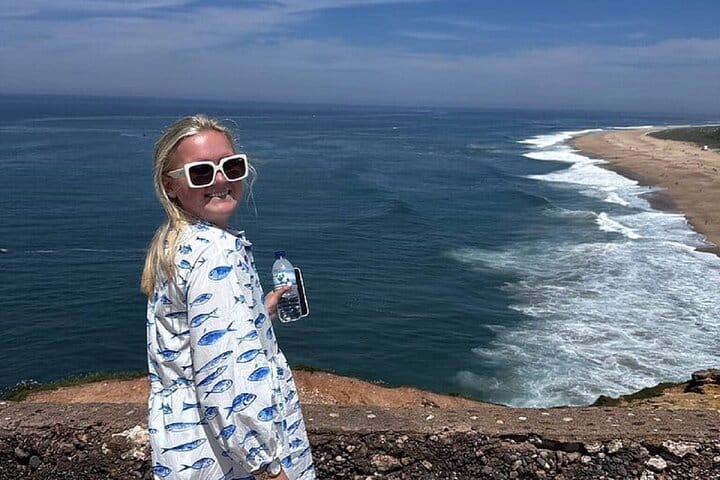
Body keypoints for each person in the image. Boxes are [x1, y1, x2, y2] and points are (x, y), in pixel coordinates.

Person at [140, 114, 315, 480]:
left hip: (187, 449)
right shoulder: (217, 253)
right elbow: (228, 382)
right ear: (170, 185)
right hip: (231, 460)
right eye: (201, 172)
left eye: (231, 167)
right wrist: (269, 468)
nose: (221, 180)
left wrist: (257, 312)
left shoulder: (176, 242)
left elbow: (199, 342)